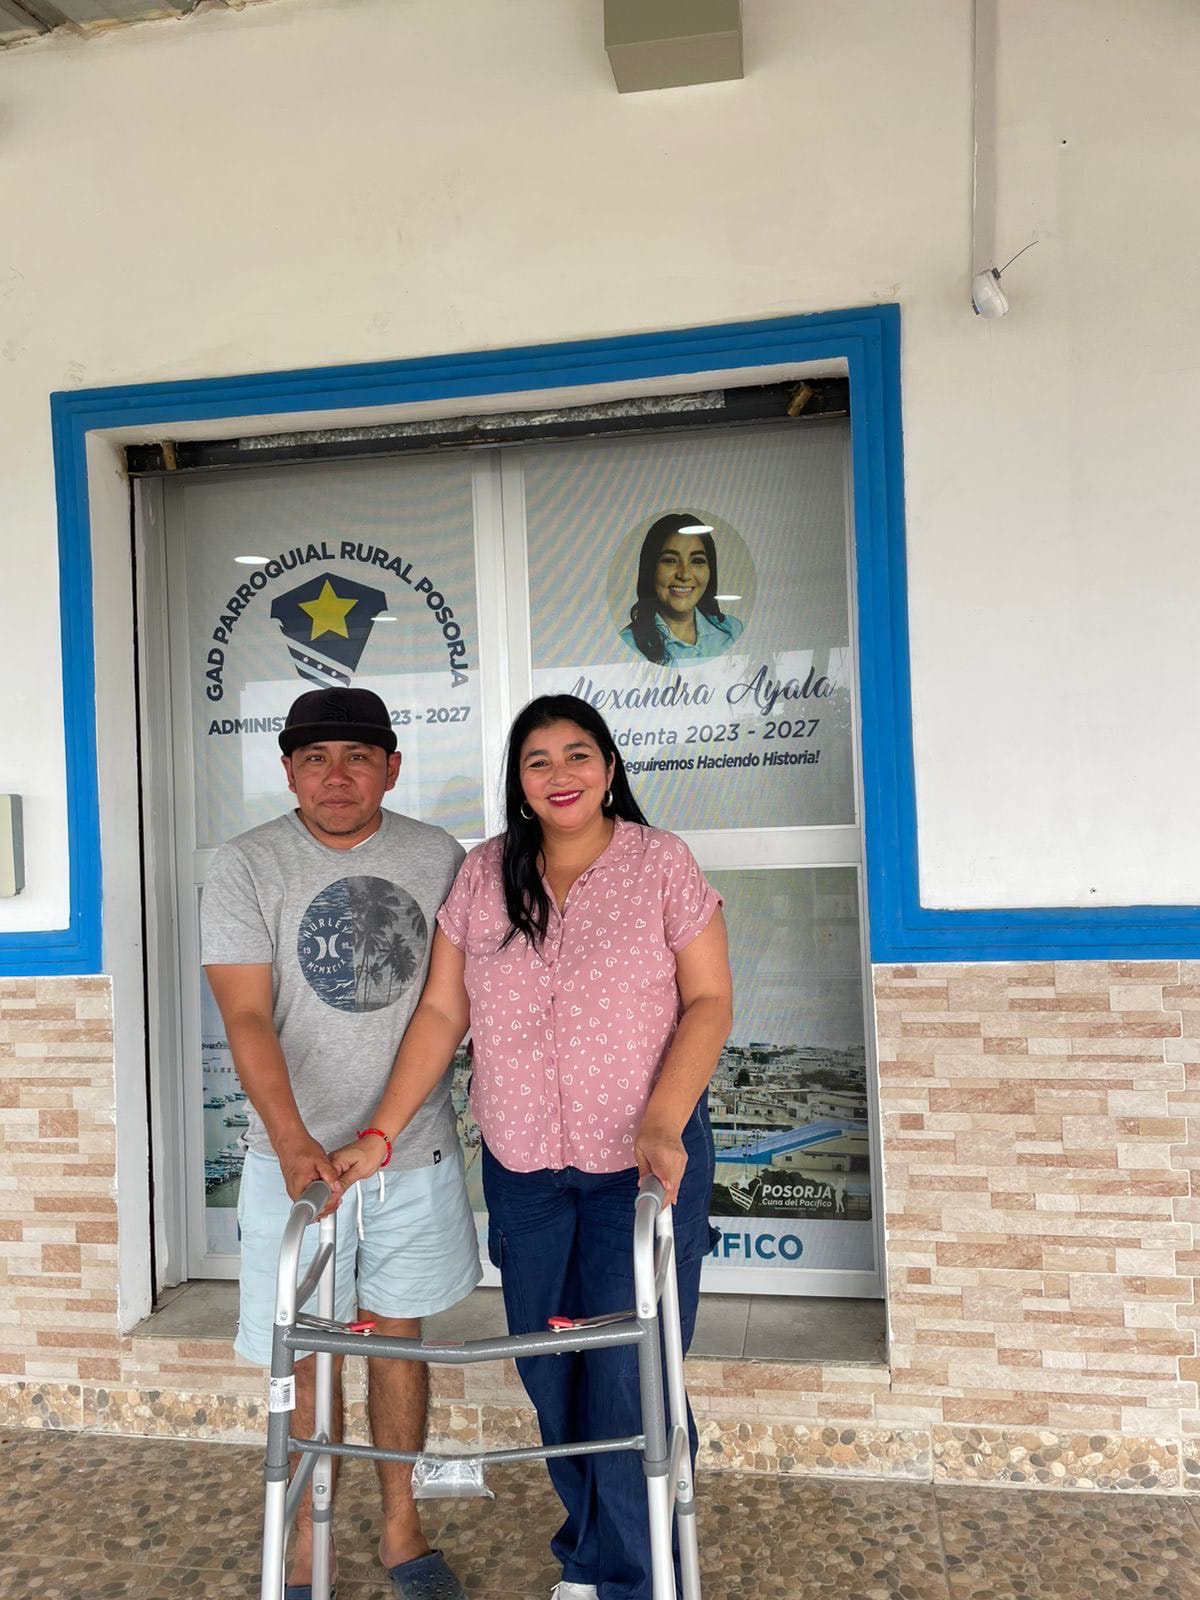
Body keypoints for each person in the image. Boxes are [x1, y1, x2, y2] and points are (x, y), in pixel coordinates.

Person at [333, 693, 733, 1600]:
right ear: (518, 781)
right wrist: (380, 1134)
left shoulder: (660, 863)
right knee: (554, 1377)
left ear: (609, 767)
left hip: (642, 1167)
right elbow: (443, 1012)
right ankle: (596, 1556)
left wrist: (663, 1118)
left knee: (630, 1376)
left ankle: (632, 1577)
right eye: (538, 760)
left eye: (578, 754)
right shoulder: (485, 875)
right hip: (526, 1172)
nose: (561, 774)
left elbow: (710, 1001)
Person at [200, 686, 480, 1600]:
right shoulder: (245, 865)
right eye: (315, 759)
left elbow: (446, 1006)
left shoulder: (438, 859)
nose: (336, 776)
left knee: (398, 1344)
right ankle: (304, 1542)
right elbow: (245, 1016)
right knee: (308, 1353)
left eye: (358, 757)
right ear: (288, 772)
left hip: (412, 1153)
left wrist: (382, 1134)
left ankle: (402, 1530)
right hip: (293, 1164)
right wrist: (292, 1143)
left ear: (391, 769)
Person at [619, 512, 745, 665]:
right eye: (670, 560)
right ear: (650, 569)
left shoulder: (733, 630)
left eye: (697, 561)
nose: (684, 575)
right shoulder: (625, 645)